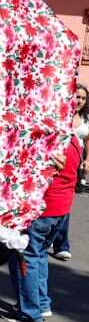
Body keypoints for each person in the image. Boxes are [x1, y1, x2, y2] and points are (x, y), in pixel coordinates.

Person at [4, 129, 82, 322]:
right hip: (60, 209)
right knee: (38, 256)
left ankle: (30, 312)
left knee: (25, 256)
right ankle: (41, 303)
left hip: (43, 208)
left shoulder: (49, 139)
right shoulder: (72, 139)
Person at [50, 83, 89, 260]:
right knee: (53, 202)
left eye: (82, 97)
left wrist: (87, 160)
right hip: (56, 165)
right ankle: (52, 237)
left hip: (74, 167)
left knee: (65, 205)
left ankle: (60, 243)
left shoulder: (85, 119)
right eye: (76, 96)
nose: (79, 100)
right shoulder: (59, 115)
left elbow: (87, 141)